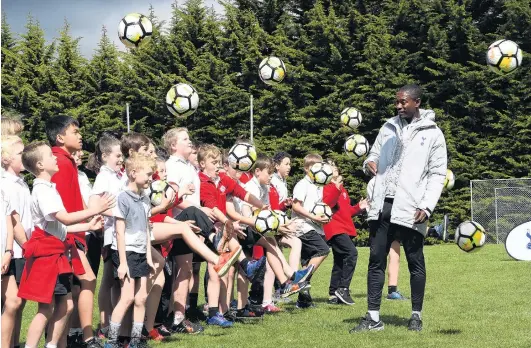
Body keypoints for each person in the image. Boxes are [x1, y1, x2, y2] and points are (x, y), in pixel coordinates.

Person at [350, 84, 447, 333]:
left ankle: (416, 314)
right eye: (397, 102)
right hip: (382, 203)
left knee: (415, 260)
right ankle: (373, 318)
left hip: (412, 206)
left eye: (403, 102)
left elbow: (437, 174)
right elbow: (372, 156)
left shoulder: (433, 134)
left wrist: (427, 206)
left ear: (417, 102)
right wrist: (369, 163)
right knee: (375, 259)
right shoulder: (388, 127)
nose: (399, 106)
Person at [19, 141, 110, 348]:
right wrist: (95, 209)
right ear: (40, 165)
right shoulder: (43, 190)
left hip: (56, 256)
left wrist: (88, 224)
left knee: (66, 305)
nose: (55, 158)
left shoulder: (49, 188)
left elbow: (60, 227)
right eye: (51, 156)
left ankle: (51, 345)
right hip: (48, 257)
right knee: (46, 309)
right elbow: (65, 219)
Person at [46, 115, 108, 347]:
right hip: (67, 235)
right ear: (61, 137)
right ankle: (86, 337)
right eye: (75, 131)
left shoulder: (67, 161)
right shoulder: (60, 162)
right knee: (87, 280)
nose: (80, 135)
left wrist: (90, 215)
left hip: (75, 232)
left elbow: (74, 199)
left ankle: (69, 337)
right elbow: (58, 205)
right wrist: (74, 229)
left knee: (71, 289)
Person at [104, 154, 155, 348]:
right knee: (127, 297)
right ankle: (111, 341)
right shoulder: (123, 198)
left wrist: (149, 256)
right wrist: (123, 263)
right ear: (133, 173)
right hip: (126, 252)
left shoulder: (145, 198)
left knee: (141, 297)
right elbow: (119, 231)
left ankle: (135, 341)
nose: (151, 178)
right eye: (148, 173)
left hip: (141, 252)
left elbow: (146, 229)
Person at [322, 159, 367, 305]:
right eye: (330, 167)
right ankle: (343, 288)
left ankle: (334, 293)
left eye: (335, 166)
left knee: (340, 260)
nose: (334, 169)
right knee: (351, 253)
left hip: (344, 228)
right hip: (334, 228)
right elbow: (328, 204)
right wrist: (335, 187)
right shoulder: (327, 187)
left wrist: (359, 207)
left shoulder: (342, 189)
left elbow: (346, 211)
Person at [1, 135, 31, 348]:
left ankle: (14, 343)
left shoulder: (21, 183)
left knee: (20, 303)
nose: (25, 157)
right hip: (15, 250)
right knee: (12, 302)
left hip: (21, 250)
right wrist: (25, 245)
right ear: (6, 159)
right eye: (20, 154)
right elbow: (13, 218)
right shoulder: (5, 184)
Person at [291, 153, 331, 308]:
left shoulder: (317, 185)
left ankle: (303, 300)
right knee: (323, 250)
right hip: (303, 226)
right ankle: (298, 280)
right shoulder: (302, 184)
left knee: (308, 262)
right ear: (307, 169)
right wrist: (313, 216)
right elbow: (296, 206)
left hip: (314, 226)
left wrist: (323, 216)